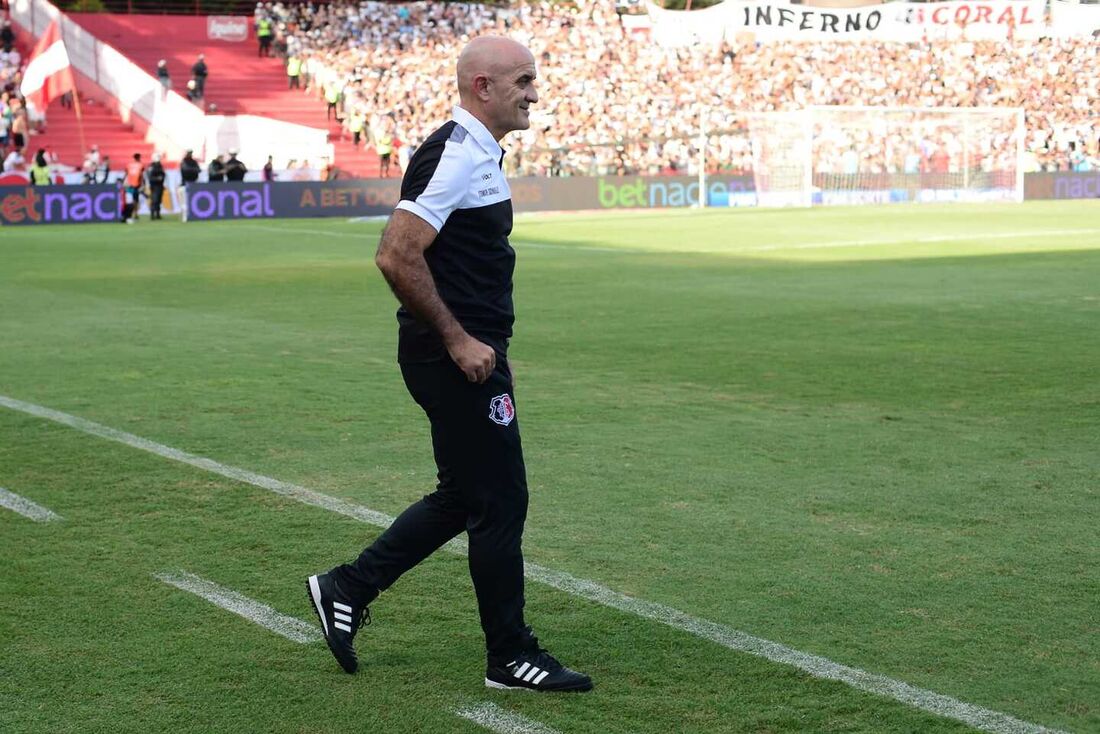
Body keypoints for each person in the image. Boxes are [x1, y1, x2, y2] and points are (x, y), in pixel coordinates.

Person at [306, 36, 592, 694]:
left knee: (464, 496)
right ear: (483, 86)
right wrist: (460, 339)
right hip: (455, 356)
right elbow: (395, 253)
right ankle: (511, 657)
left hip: (464, 351)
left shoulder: (477, 152)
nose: (534, 93)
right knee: (500, 501)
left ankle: (346, 588)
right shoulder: (455, 152)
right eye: (522, 80)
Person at [179, 149, 201, 221]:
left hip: (193, 183)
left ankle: (192, 216)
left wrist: (192, 169)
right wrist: (194, 170)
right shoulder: (184, 162)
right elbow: (186, 170)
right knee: (185, 202)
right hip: (185, 184)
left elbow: (199, 170)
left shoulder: (194, 162)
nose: (190, 155)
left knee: (192, 201)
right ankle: (184, 217)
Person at [124, 152, 145, 221]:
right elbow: (142, 175)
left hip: (129, 185)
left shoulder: (129, 165)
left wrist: (125, 182)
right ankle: (134, 214)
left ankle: (132, 214)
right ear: (139, 158)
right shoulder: (140, 165)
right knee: (135, 200)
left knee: (130, 200)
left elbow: (126, 174)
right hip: (136, 185)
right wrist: (143, 185)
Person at [146, 153, 166, 220]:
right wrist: (158, 178)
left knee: (159, 200)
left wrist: (162, 180)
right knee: (155, 200)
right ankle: (152, 215)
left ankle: (157, 214)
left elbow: (163, 175)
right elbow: (150, 177)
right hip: (154, 186)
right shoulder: (151, 167)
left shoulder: (160, 166)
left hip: (160, 186)